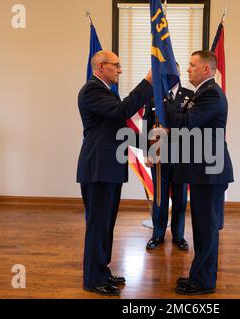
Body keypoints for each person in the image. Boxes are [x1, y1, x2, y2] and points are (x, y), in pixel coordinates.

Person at [77, 50, 153, 296]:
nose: (120, 70)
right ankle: (93, 279)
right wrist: (148, 83)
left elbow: (120, 130)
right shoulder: (92, 90)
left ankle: (101, 270)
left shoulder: (106, 92)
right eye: (116, 65)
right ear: (101, 66)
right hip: (98, 168)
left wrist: (148, 150)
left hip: (109, 168)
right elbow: (122, 111)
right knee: (98, 225)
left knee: (106, 224)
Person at [165, 51, 234, 295]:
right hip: (202, 171)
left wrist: (165, 102)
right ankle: (199, 275)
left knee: (206, 229)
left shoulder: (211, 94)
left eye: (192, 66)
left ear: (206, 69)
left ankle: (204, 282)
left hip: (209, 172)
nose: (188, 70)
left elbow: (185, 124)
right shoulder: (201, 94)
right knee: (203, 228)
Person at [145, 63, 194, 251]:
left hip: (181, 155)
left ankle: (178, 235)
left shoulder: (190, 96)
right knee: (159, 197)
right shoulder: (153, 97)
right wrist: (147, 152)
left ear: (178, 74)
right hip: (158, 155)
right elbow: (146, 126)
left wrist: (168, 131)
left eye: (172, 72)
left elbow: (191, 126)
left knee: (180, 197)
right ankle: (157, 234)